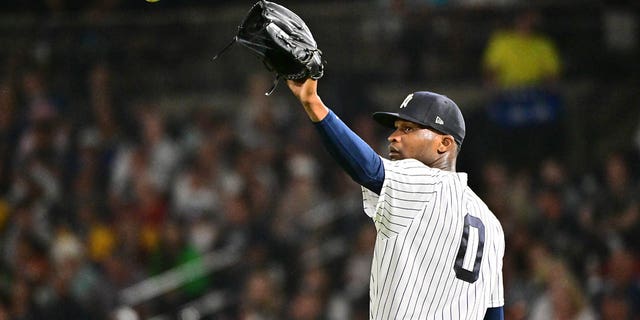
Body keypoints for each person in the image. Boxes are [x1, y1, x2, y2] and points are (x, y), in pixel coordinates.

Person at [285, 78, 505, 319]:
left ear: (444, 143)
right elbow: (493, 312)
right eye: (397, 127)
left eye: (408, 129)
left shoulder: (424, 182)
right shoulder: (491, 223)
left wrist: (313, 103)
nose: (393, 136)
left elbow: (368, 169)